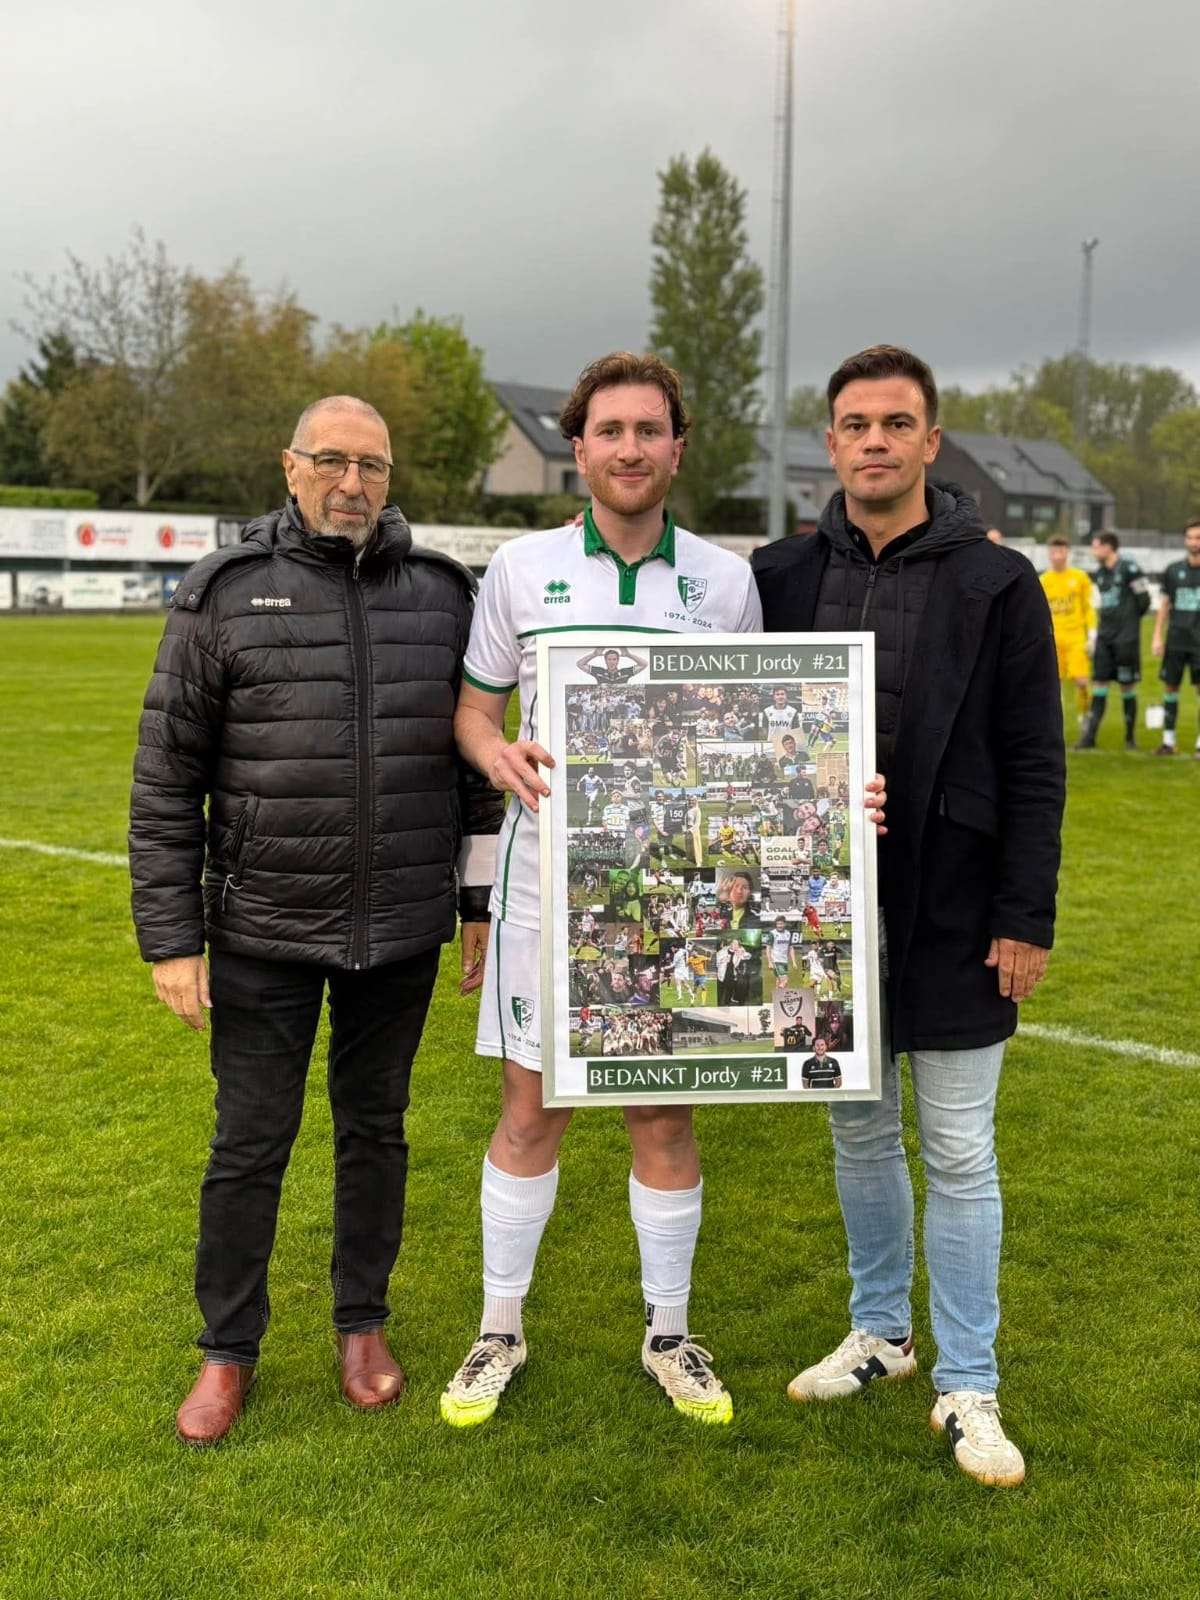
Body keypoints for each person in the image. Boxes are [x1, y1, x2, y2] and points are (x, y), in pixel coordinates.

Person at [129, 395, 502, 1446]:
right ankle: (226, 1349)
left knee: (375, 1132)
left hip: (398, 928)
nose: (352, 483)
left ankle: (361, 1325)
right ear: (290, 466)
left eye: (372, 465)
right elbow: (166, 777)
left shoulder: (442, 596)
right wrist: (172, 937)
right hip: (260, 929)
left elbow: (476, 771)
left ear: (393, 478)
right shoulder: (224, 595)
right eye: (331, 460)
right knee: (250, 1142)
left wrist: (474, 904)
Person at [752, 344, 1065, 1488]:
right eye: (853, 423)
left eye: (896, 423)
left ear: (932, 442)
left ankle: (968, 1378)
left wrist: (1024, 913)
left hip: (959, 905)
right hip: (822, 915)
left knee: (962, 1150)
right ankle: (882, 1330)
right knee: (858, 1128)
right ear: (828, 443)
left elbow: (1036, 760)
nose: (874, 441)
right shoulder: (780, 574)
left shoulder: (997, 580)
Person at [443, 351, 763, 1430]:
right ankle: (500, 1327)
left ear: (678, 447)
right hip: (544, 889)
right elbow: (475, 714)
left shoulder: (724, 580)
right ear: (576, 448)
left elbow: (759, 735)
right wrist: (494, 758)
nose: (629, 448)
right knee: (530, 1112)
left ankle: (669, 1332)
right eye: (609, 431)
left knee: (662, 1113)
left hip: (669, 901)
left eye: (649, 430)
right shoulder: (521, 570)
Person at [1075, 531, 1150, 751]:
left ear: (1109, 547)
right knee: (1099, 683)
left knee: (1127, 686)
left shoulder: (1130, 569)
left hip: (1126, 639)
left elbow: (1144, 600)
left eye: (1096, 546)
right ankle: (1089, 738)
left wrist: (1128, 624)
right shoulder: (1099, 573)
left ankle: (1130, 739)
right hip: (1105, 638)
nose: (1093, 551)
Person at [1151, 517, 1200, 756]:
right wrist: (1157, 636)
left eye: (1198, 538)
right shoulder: (1173, 570)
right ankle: (1168, 742)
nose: (1194, 542)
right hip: (1177, 639)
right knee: (1170, 688)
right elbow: (1164, 605)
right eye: (1190, 537)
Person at [1038, 535, 1095, 723]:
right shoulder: (1043, 580)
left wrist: (1092, 635)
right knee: (1054, 684)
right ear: (1049, 554)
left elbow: (1089, 608)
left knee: (1081, 680)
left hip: (1076, 637)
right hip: (1052, 638)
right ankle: (1055, 722)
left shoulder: (1080, 577)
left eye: (1061, 551)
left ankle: (1085, 715)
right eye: (1054, 552)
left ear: (1067, 553)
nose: (1058, 556)